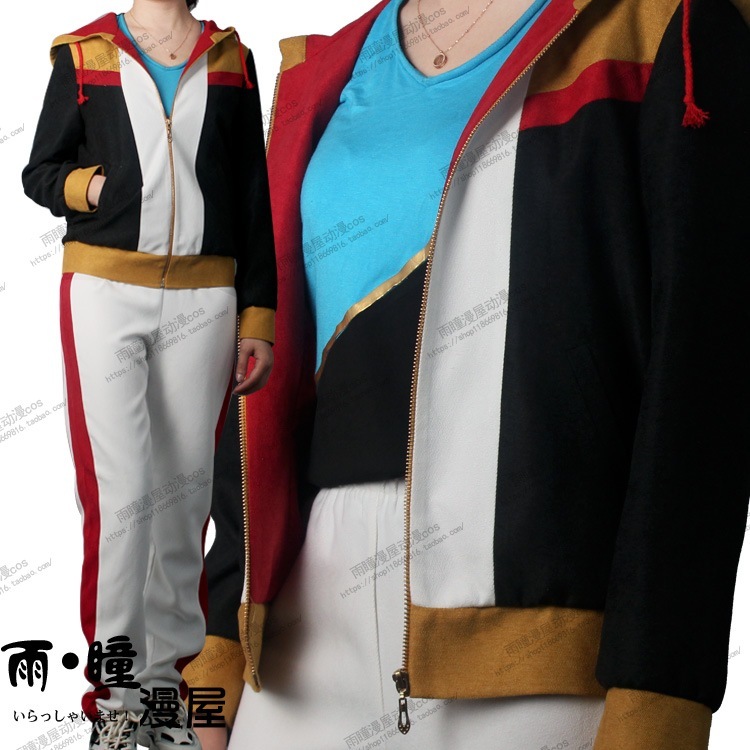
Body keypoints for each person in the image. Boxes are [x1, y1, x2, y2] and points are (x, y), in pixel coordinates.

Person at [185, 0, 750, 748]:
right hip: (300, 635)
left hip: (539, 652)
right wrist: (215, 657)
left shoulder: (662, 26)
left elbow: (703, 380)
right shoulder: (325, 69)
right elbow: (261, 387)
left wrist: (660, 696)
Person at [21, 0, 276, 748]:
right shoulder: (84, 52)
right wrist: (95, 190)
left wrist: (257, 318)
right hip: (106, 291)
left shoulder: (232, 59)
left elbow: (252, 195)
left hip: (207, 298)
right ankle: (116, 703)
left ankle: (164, 696)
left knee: (185, 499)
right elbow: (41, 172)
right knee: (123, 495)